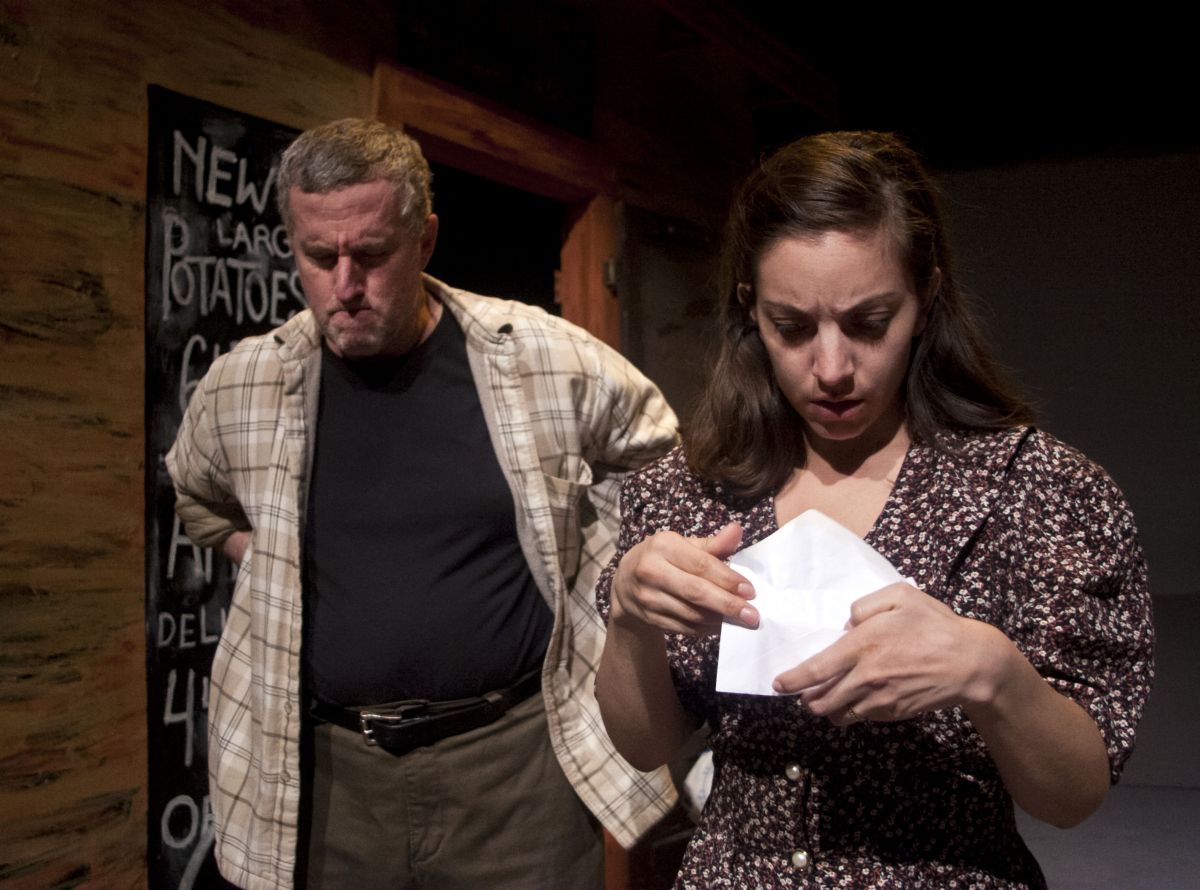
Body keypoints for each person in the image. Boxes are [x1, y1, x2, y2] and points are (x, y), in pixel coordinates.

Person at [594, 131, 1154, 888]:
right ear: (750, 310)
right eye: (792, 327)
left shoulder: (1039, 493)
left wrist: (992, 672)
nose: (831, 369)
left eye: (869, 322)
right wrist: (630, 618)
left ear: (926, 299)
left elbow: (1071, 797)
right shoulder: (687, 491)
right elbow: (646, 745)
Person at [167, 118, 679, 890]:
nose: (345, 286)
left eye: (372, 255)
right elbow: (195, 495)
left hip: (513, 770)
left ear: (425, 240)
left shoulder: (537, 355)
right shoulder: (246, 386)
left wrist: (609, 572)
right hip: (327, 774)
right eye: (319, 257)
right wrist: (269, 555)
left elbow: (663, 458)